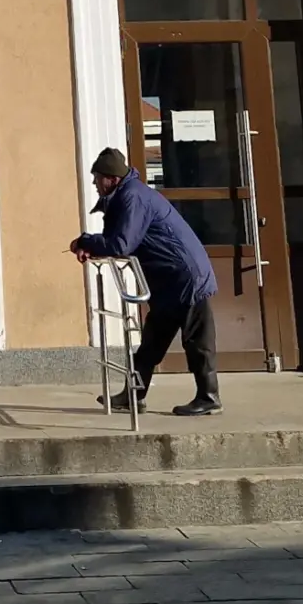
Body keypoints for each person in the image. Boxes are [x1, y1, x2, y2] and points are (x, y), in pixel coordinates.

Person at [69, 147, 222, 416]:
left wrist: (85, 241)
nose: (94, 183)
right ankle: (133, 395)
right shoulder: (126, 196)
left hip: (186, 277)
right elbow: (117, 240)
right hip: (168, 282)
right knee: (151, 342)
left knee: (197, 341)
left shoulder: (133, 197)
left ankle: (209, 398)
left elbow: (121, 243)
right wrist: (92, 247)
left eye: (97, 177)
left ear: (112, 179)